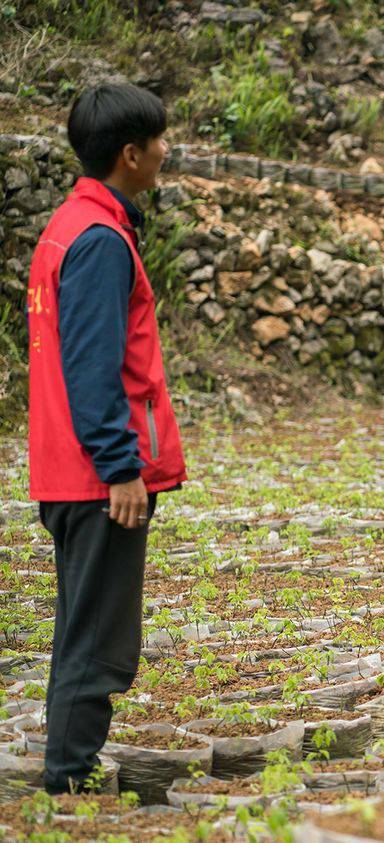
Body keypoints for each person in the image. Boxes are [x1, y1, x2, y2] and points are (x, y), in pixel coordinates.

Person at [26, 83, 188, 794]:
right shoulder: (98, 240)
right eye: (158, 141)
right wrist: (123, 467)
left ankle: (70, 771)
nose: (164, 152)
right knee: (97, 637)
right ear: (130, 154)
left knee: (81, 626)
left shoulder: (71, 224)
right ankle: (70, 782)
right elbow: (94, 367)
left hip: (67, 467)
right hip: (98, 478)